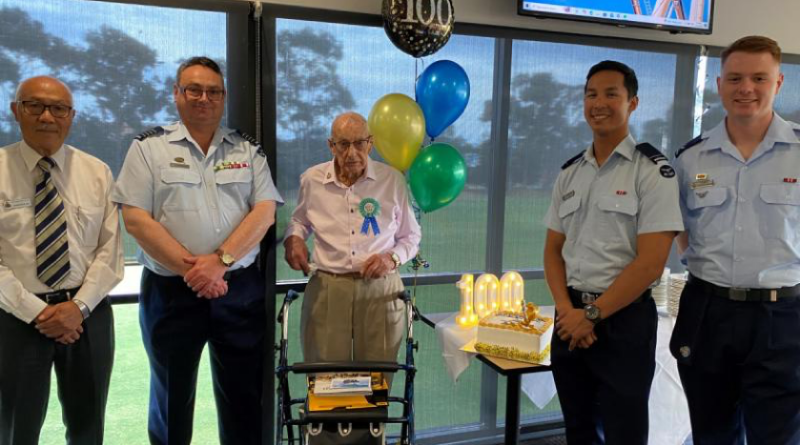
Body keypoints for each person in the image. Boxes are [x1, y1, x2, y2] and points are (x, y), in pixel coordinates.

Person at [112, 56, 282, 445]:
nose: (204, 98)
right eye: (194, 89)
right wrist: (197, 271)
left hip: (238, 291)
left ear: (223, 97)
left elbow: (265, 211)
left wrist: (219, 264)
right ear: (177, 94)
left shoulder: (247, 149)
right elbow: (136, 219)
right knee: (170, 398)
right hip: (171, 293)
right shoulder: (148, 149)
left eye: (213, 91)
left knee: (244, 397)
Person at [543, 60, 683, 444]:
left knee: (624, 432)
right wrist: (568, 312)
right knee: (578, 429)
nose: (598, 103)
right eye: (591, 94)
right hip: (569, 319)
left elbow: (651, 262)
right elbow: (553, 251)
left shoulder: (652, 172)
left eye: (611, 94)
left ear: (632, 103)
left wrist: (592, 315)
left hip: (623, 323)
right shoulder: (570, 173)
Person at [671, 35, 800, 445]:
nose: (746, 88)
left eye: (759, 78)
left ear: (778, 83)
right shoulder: (692, 157)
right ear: (719, 84)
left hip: (782, 318)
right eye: (735, 78)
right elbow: (680, 228)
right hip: (708, 312)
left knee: (778, 435)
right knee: (712, 432)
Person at [284, 111, 421, 444]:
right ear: (331, 145)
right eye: (343, 144)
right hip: (328, 289)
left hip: (380, 291)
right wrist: (295, 238)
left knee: (375, 381)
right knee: (326, 380)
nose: (351, 153)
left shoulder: (392, 181)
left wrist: (391, 258)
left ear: (370, 143)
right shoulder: (312, 180)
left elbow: (411, 238)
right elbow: (299, 221)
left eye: (359, 143)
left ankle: (371, 440)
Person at [0, 76, 123, 445]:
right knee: (15, 429)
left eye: (59, 109)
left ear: (71, 117)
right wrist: (38, 313)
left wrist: (78, 308)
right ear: (16, 111)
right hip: (16, 320)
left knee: (88, 428)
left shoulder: (97, 171)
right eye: (35, 105)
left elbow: (110, 251)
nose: (47, 117)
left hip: (87, 316)